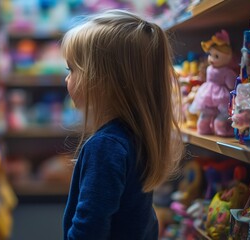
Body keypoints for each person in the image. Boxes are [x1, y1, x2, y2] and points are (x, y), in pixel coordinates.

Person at [61, 9, 184, 240]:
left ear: (101, 81)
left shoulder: (105, 147)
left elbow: (89, 230)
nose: (67, 78)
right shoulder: (138, 135)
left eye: (72, 69)